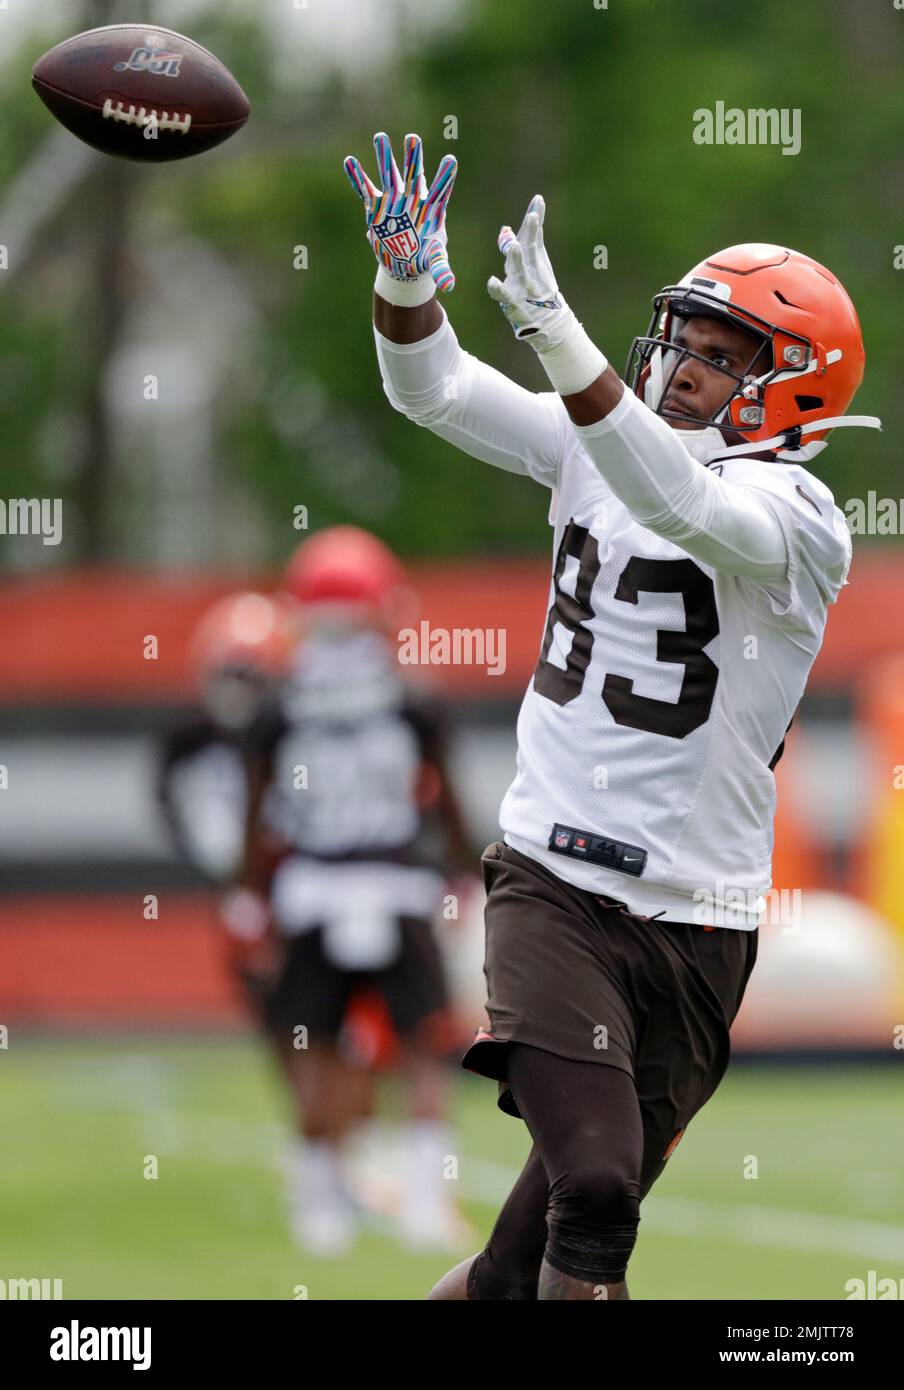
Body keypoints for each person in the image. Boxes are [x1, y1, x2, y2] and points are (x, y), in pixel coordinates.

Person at [343, 131, 881, 1299]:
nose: (683, 365)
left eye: (721, 352)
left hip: (701, 917)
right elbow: (429, 387)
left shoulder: (801, 516)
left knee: (512, 1266)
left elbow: (683, 503)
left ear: (793, 381)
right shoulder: (605, 444)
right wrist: (404, 277)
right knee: (594, 1191)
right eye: (682, 339)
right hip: (555, 882)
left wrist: (558, 336)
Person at [253, 526, 474, 1253]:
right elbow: (442, 799)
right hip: (396, 881)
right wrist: (470, 867)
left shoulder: (279, 704)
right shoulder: (412, 698)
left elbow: (258, 820)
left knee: (313, 1050)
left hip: (314, 886)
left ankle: (318, 1209)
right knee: (420, 1049)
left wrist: (253, 893)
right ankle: (422, 1204)